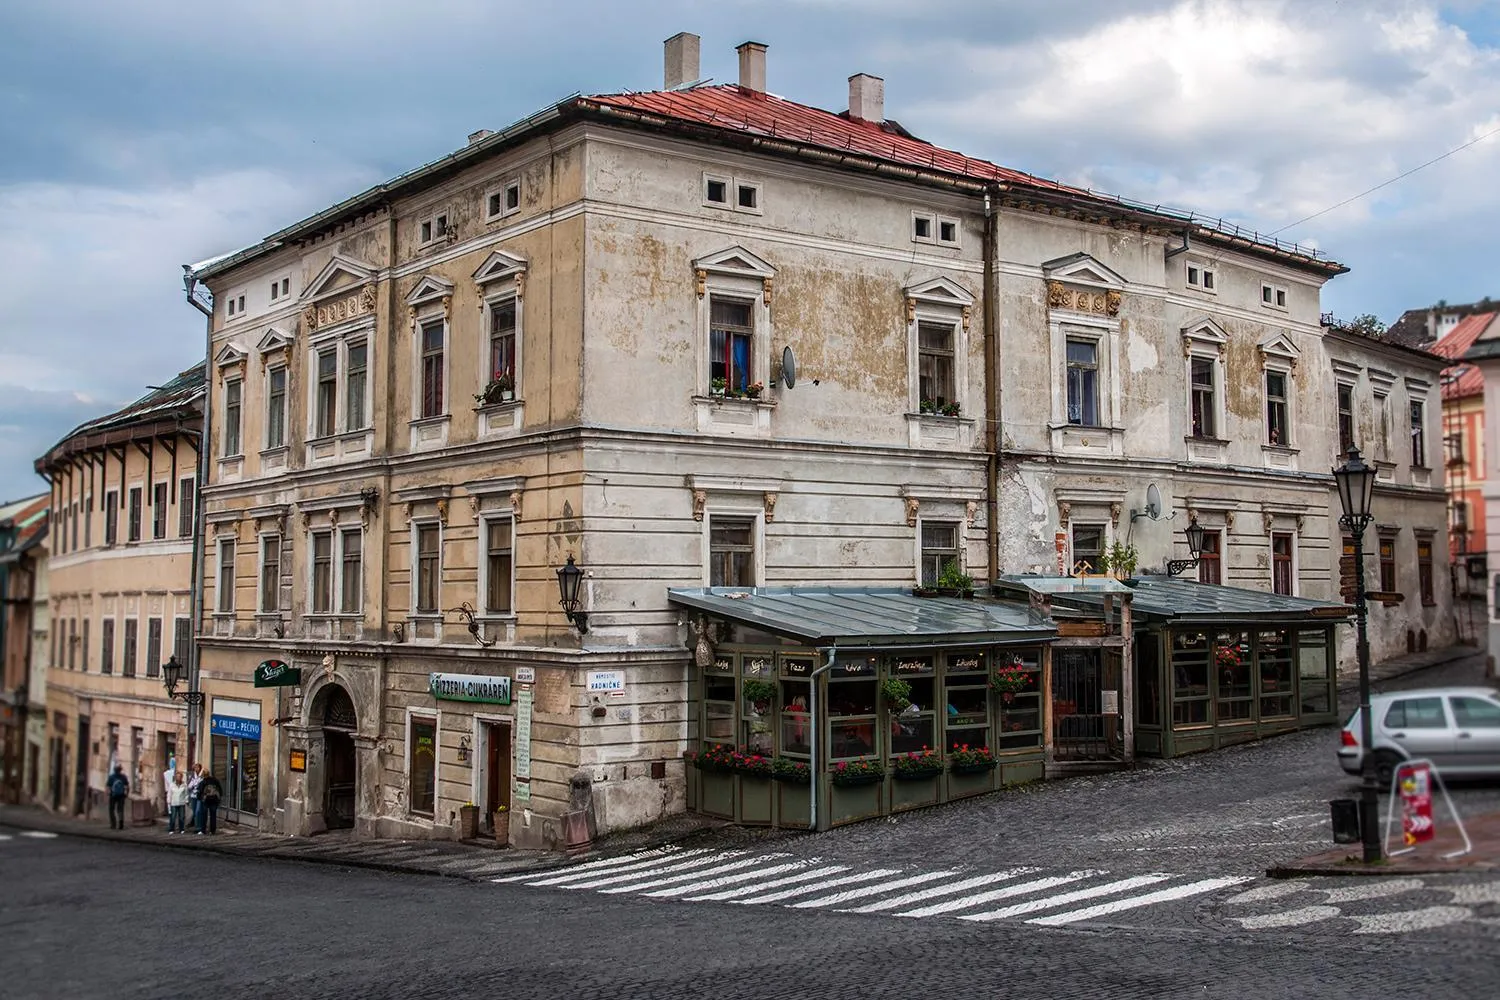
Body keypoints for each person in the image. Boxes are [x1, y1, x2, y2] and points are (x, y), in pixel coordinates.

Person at [196, 768, 223, 835]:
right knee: (213, 816)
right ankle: (212, 830)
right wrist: (219, 798)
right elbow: (220, 789)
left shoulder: (203, 782)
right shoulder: (215, 780)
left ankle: (203, 830)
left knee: (204, 816)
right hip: (214, 800)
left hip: (206, 800)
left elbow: (200, 791)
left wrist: (199, 798)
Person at [106, 764, 130, 830]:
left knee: (111, 810)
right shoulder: (123, 777)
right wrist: (126, 794)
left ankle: (113, 824)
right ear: (120, 770)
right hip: (121, 795)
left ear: (114, 770)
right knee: (120, 810)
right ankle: (121, 824)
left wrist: (107, 794)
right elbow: (127, 787)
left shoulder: (111, 777)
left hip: (113, 795)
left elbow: (108, 787)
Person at [186, 763, 204, 832]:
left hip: (199, 796)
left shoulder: (202, 776)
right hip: (193, 796)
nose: (196, 769)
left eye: (197, 768)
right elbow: (189, 785)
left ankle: (198, 826)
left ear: (200, 768)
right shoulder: (192, 775)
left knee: (198, 811)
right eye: (195, 768)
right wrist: (192, 784)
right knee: (194, 810)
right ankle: (195, 824)